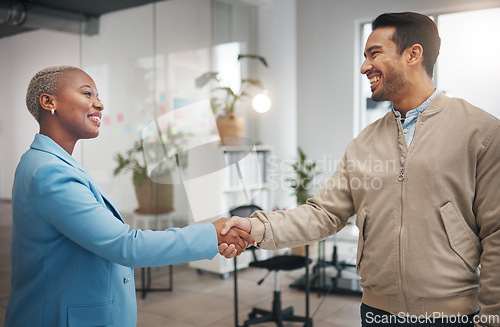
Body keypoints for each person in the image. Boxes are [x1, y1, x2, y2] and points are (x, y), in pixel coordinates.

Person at [222, 12, 500, 326]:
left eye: (374, 54)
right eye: (364, 56)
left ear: (413, 54)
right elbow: (324, 213)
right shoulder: (364, 142)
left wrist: (492, 319)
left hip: (451, 315)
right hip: (376, 313)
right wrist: (255, 229)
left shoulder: (480, 132)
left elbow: (497, 234)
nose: (364, 66)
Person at [5, 65, 253, 327]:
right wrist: (212, 234)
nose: (99, 104)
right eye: (87, 94)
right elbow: (126, 246)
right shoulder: (50, 172)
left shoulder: (49, 163)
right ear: (48, 102)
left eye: (98, 96)